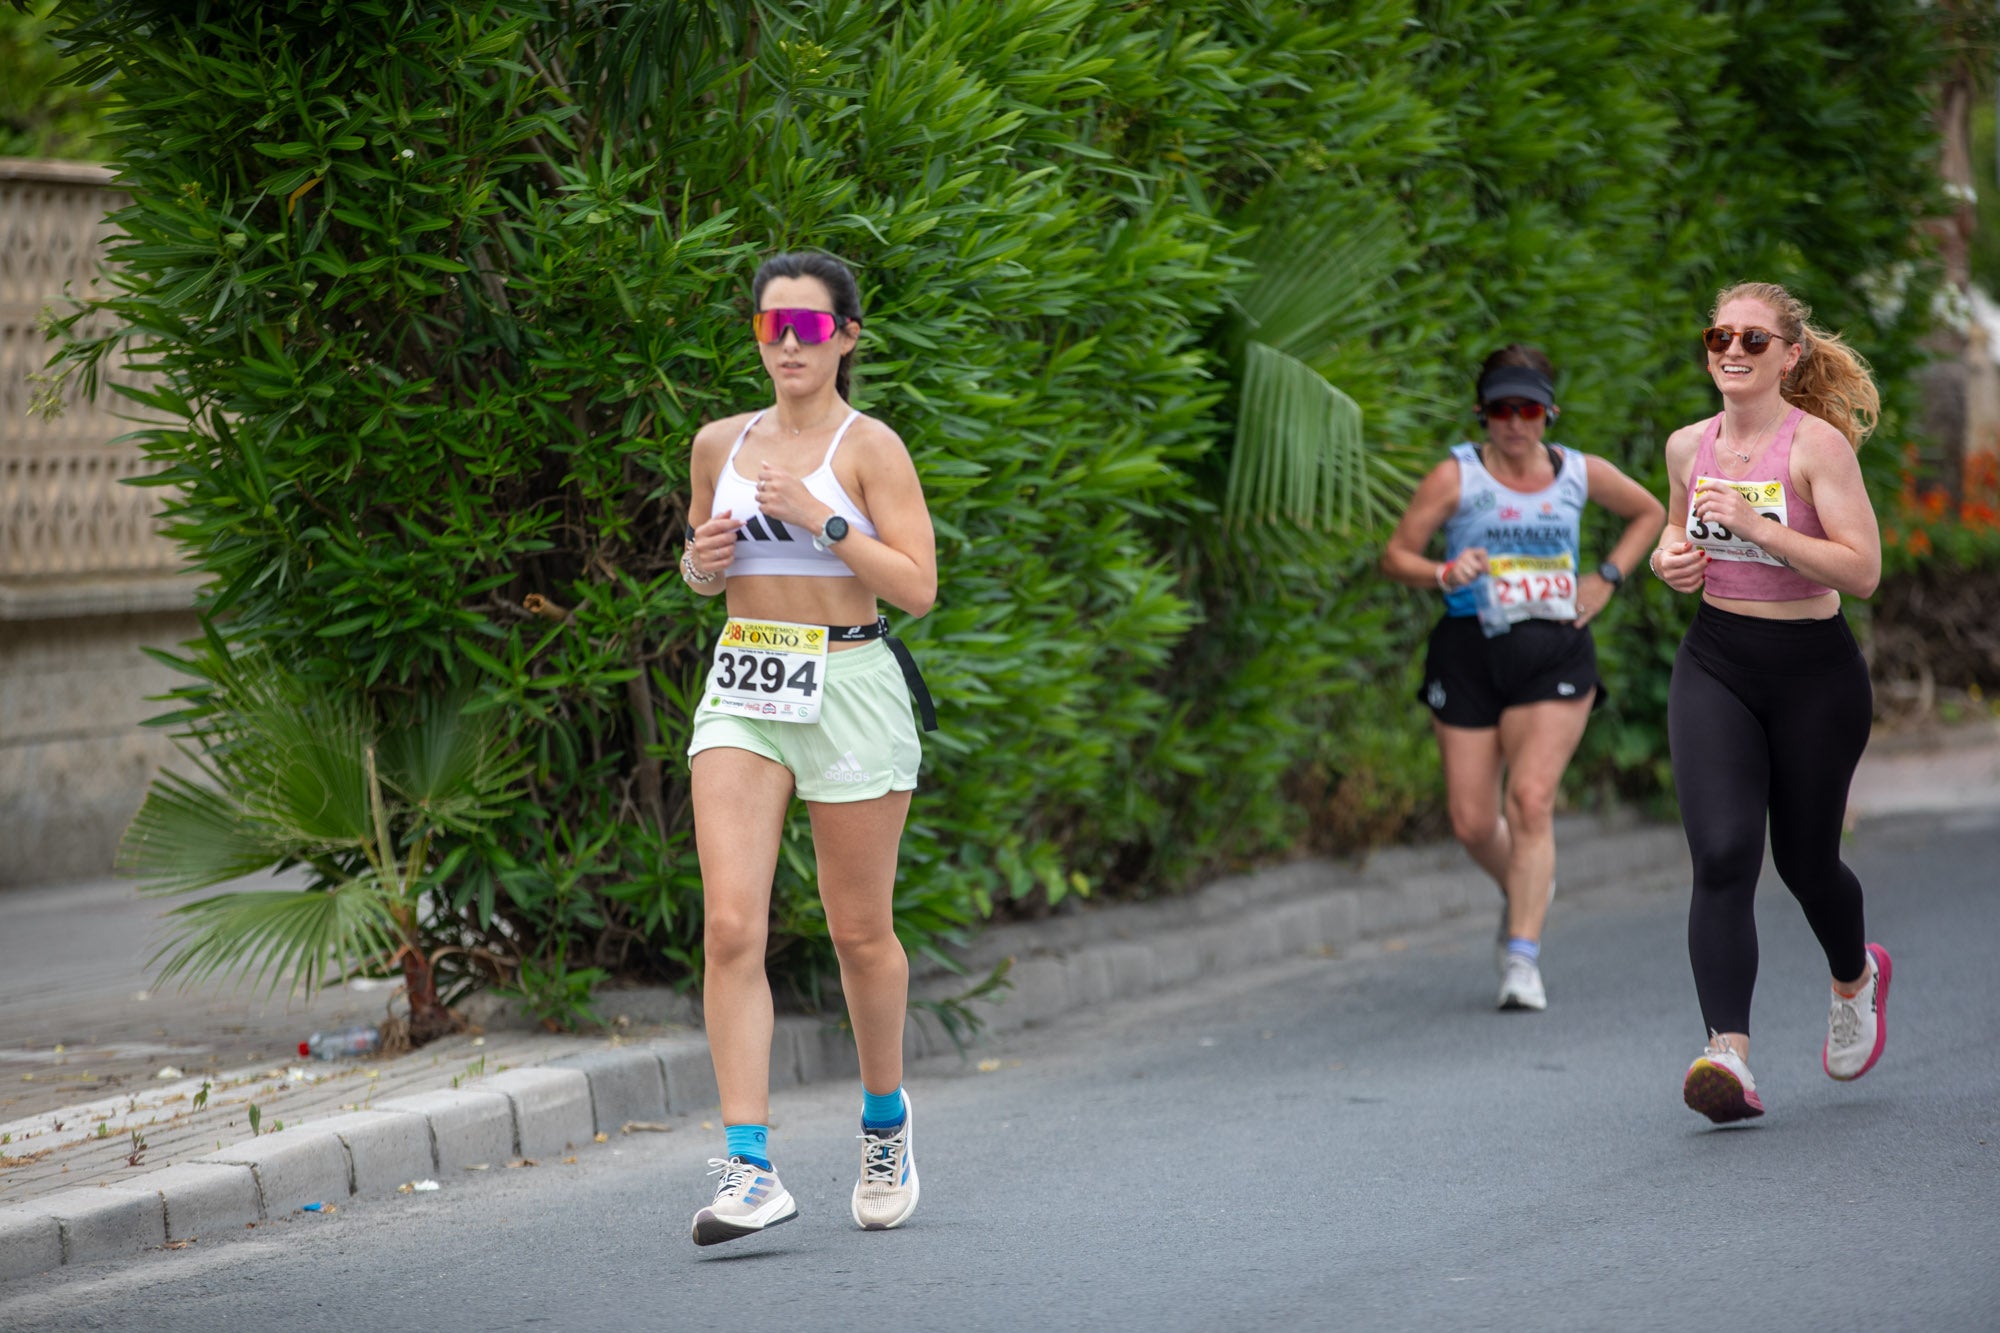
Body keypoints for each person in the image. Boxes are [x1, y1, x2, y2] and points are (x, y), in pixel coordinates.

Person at [679, 250, 938, 1242]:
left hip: (850, 681)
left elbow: (914, 587)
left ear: (845, 339)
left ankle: (883, 1122)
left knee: (857, 932)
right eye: (769, 326)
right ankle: (748, 1164)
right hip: (746, 677)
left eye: (809, 328)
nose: (787, 343)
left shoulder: (872, 446)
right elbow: (705, 563)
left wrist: (821, 514)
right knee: (732, 925)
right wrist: (700, 565)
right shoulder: (718, 443)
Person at [1653, 282, 1890, 1124]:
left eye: (1755, 340)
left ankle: (1855, 976)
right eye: (1721, 334)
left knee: (1806, 863)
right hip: (1716, 659)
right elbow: (1676, 539)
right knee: (1721, 853)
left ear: (1790, 355)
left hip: (1814, 673)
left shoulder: (1816, 447)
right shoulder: (1689, 445)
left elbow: (1862, 570)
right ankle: (1729, 1055)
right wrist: (1669, 561)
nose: (1733, 350)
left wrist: (1761, 531)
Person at [1382, 346, 1664, 1011]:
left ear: (1549, 413)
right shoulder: (1456, 477)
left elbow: (1650, 511)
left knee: (1531, 801)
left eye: (1529, 409)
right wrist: (1440, 573)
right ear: (1482, 414)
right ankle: (1527, 882)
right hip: (1469, 650)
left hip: (1555, 651)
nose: (1515, 423)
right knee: (1473, 820)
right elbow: (1395, 554)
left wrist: (1608, 576)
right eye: (1501, 410)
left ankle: (1522, 956)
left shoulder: (1577, 472)